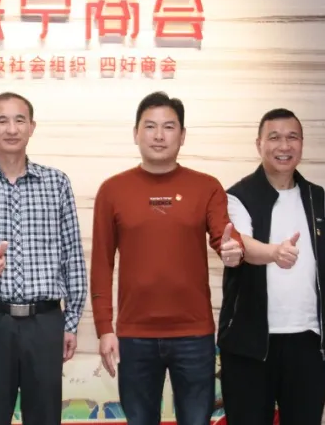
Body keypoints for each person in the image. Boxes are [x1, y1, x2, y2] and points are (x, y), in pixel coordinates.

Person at [90, 91, 244, 425]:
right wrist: (104, 328)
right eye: (150, 126)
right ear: (136, 133)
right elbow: (101, 264)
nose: (159, 135)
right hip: (134, 335)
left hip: (194, 334)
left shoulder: (206, 187)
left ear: (182, 135)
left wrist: (233, 250)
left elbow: (225, 237)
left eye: (169, 127)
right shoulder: (112, 191)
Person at [0, 92, 88, 425]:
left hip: (45, 321)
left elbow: (72, 254)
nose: (11, 129)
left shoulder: (56, 182)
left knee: (45, 416)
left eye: (19, 120)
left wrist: (71, 322)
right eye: (2, 121)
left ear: (32, 127)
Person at [216, 108, 325, 425]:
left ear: (302, 143)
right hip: (249, 342)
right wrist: (274, 253)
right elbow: (242, 246)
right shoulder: (237, 196)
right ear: (258, 144)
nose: (284, 146)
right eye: (274, 137)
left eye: (292, 137)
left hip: (308, 340)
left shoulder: (317, 197)